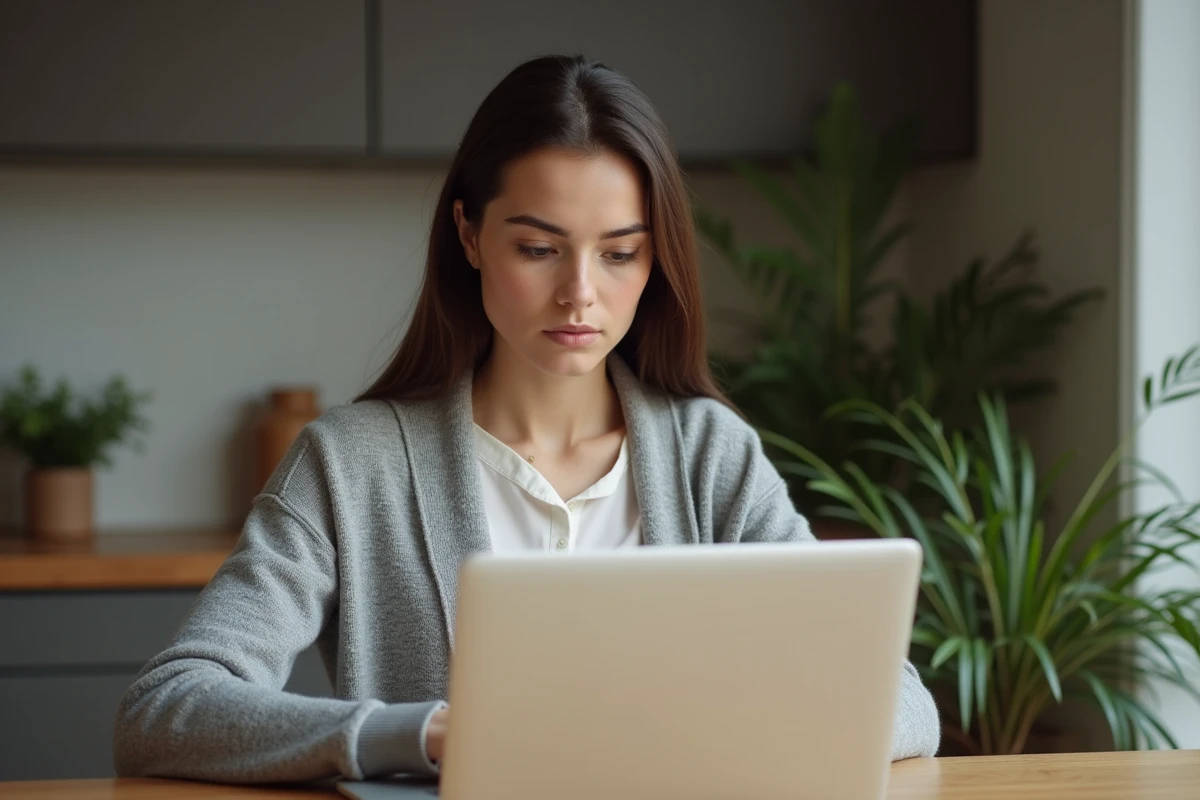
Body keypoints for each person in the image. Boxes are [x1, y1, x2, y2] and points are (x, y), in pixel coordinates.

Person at [113, 54, 940, 783]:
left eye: (620, 253)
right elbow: (167, 708)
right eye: (539, 248)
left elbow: (903, 702)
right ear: (469, 236)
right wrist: (416, 734)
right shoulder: (349, 463)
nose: (581, 291)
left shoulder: (709, 456)